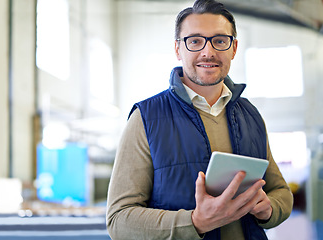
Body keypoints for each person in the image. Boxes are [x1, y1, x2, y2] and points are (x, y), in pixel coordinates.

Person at [106, 0, 293, 239]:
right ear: (178, 49)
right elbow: (119, 221)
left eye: (220, 41)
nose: (208, 52)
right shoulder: (146, 117)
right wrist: (194, 222)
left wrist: (269, 209)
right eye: (194, 41)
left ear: (233, 48)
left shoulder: (251, 116)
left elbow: (281, 192)